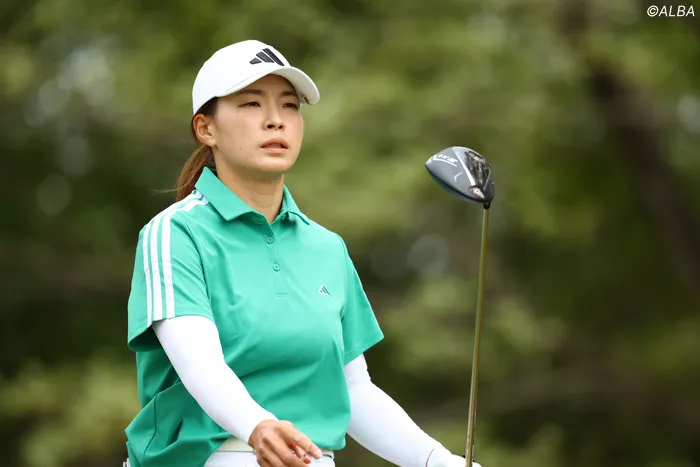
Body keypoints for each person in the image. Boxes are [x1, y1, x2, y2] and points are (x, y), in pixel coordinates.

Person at [123, 39, 485, 467]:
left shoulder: (326, 247)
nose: (275, 120)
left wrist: (440, 461)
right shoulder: (175, 232)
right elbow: (200, 364)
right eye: (251, 104)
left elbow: (353, 390)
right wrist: (258, 426)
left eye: (289, 106)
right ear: (206, 128)